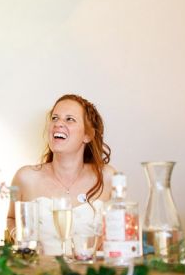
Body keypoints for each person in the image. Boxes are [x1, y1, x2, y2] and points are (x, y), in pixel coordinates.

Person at [7, 94, 115, 255]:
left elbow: (119, 230)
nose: (58, 124)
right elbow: (11, 219)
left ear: (88, 135)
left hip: (91, 274)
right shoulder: (24, 177)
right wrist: (21, 241)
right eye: (54, 118)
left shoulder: (108, 177)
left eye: (69, 119)